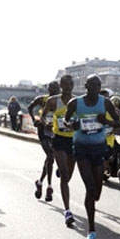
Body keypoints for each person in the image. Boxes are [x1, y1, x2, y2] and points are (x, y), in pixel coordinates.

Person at [65, 74, 120, 239]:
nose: (95, 87)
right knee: (89, 187)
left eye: (98, 84)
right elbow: (66, 120)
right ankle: (91, 231)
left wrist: (107, 121)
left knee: (96, 191)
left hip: (99, 149)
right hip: (81, 149)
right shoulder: (75, 103)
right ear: (86, 86)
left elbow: (118, 123)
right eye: (92, 84)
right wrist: (72, 124)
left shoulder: (105, 103)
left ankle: (93, 198)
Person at [41, 75, 76, 227]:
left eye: (69, 84)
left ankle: (61, 173)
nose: (67, 87)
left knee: (68, 176)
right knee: (65, 173)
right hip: (59, 139)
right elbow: (42, 116)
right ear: (61, 85)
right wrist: (47, 123)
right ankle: (67, 210)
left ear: (73, 85)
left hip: (74, 141)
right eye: (64, 84)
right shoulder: (53, 101)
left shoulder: (77, 102)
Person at [28, 81, 61, 202]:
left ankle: (40, 182)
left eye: (57, 89)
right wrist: (34, 120)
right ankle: (50, 187)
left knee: (49, 160)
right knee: (51, 157)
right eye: (52, 89)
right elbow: (30, 107)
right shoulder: (42, 99)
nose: (54, 92)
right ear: (48, 90)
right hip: (44, 132)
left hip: (56, 132)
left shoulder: (62, 101)